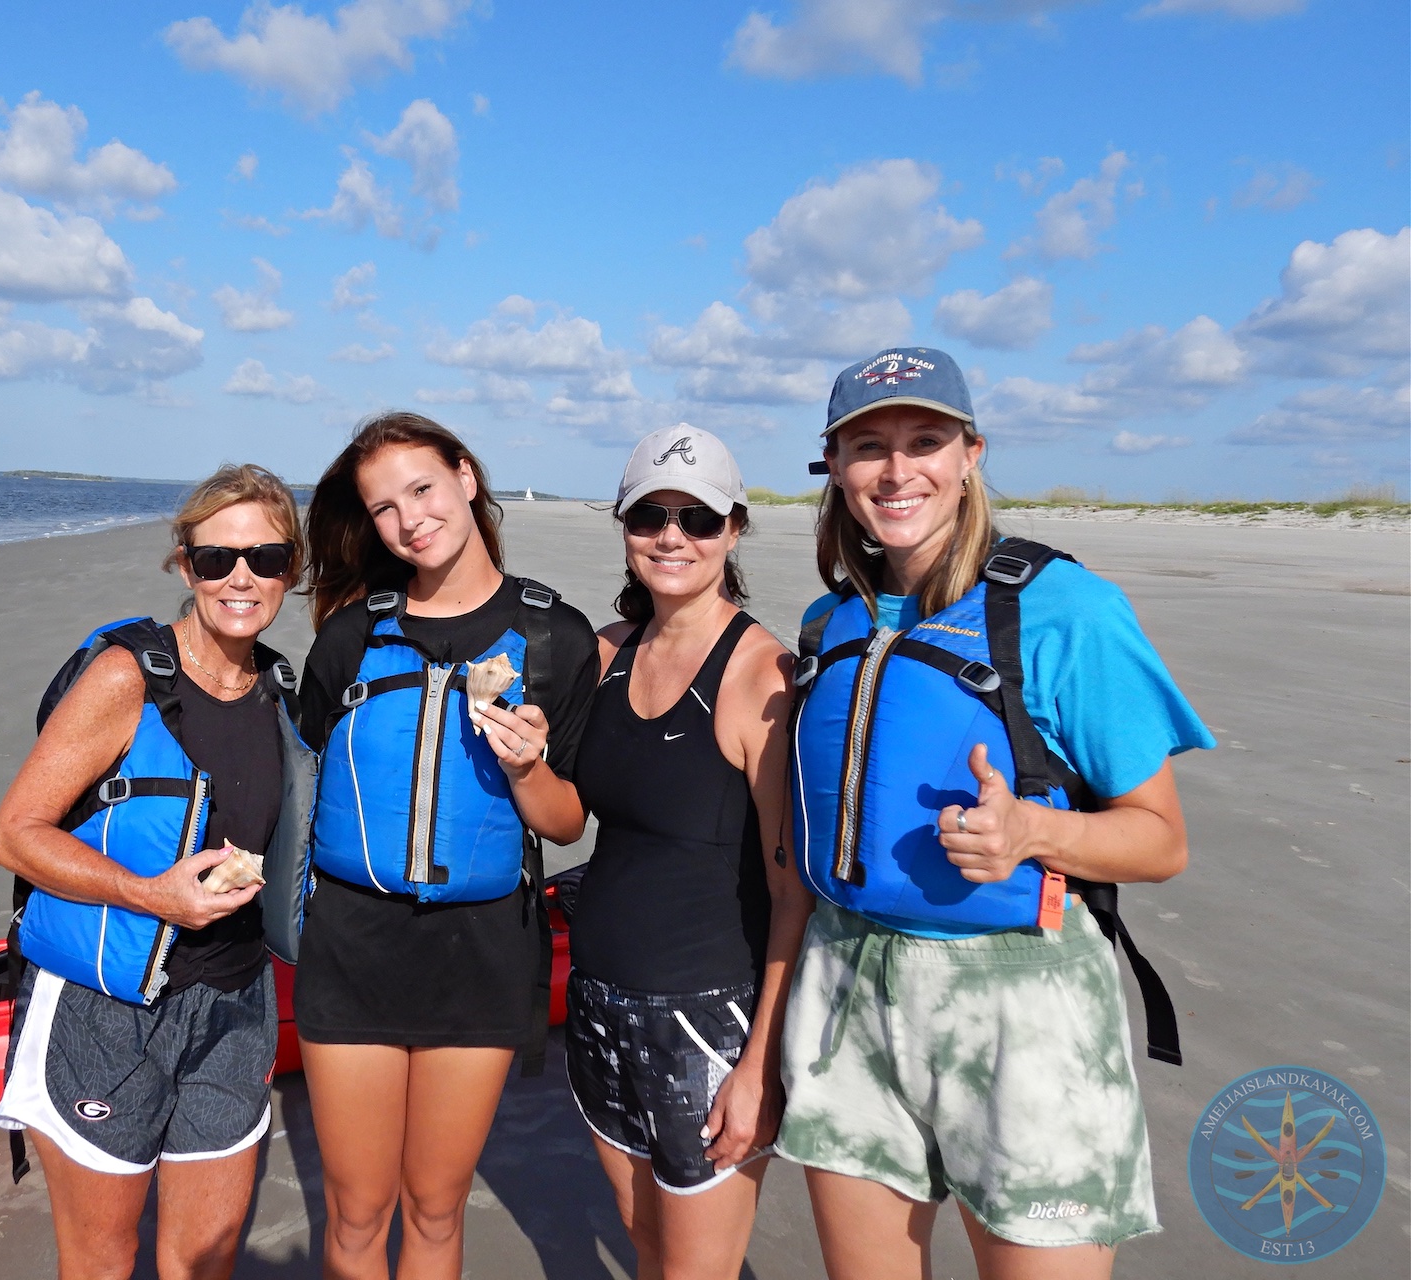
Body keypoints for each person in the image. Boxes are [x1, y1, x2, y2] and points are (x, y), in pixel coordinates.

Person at [774, 349, 1214, 1279]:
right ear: (835, 468)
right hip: (845, 981)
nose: (898, 473)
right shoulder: (829, 622)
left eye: (925, 441)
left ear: (971, 452)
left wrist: (1032, 832)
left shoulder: (1065, 610)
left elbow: (1162, 840)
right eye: (868, 447)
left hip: (1022, 1003)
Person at [294, 411, 601, 1280]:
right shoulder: (353, 634)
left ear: (466, 477)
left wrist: (527, 764)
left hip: (481, 952)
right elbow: (304, 775)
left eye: (422, 488)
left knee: (434, 1207)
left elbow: (567, 821)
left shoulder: (554, 638)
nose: (408, 518)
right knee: (358, 1211)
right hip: (351, 945)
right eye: (383, 506)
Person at [0, 464, 313, 1280]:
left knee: (202, 1263)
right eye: (217, 559)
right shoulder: (126, 678)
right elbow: (15, 835)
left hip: (235, 1007)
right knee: (100, 1261)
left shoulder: (280, 691)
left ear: (292, 571)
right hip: (107, 1012)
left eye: (267, 559)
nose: (242, 577)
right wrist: (146, 894)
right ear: (184, 563)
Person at [565, 425, 814, 1279]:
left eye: (698, 518)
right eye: (651, 515)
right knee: (646, 1250)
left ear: (734, 530)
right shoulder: (604, 652)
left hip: (707, 1020)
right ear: (626, 525)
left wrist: (760, 1067)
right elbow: (567, 816)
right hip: (594, 1004)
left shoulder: (763, 675)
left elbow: (794, 896)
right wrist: (520, 759)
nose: (672, 536)